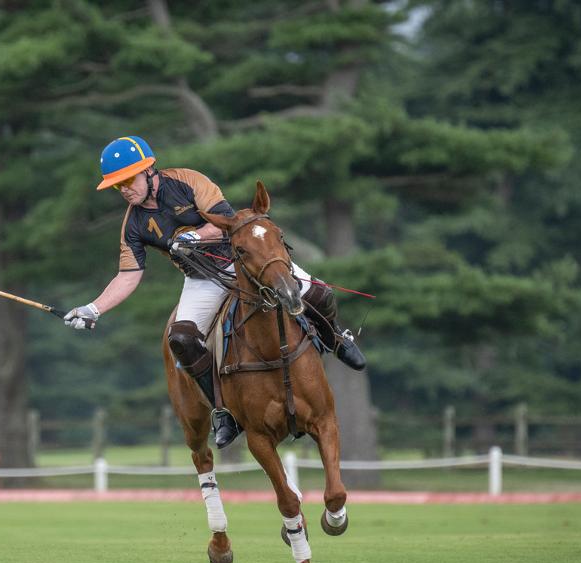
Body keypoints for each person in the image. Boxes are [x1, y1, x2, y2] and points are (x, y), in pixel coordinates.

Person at [64, 136, 366, 449]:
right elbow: (128, 276)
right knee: (180, 339)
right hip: (202, 279)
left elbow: (227, 222)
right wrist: (94, 308)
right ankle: (224, 411)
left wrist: (194, 236)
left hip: (243, 262)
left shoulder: (188, 181)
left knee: (319, 294)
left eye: (128, 180)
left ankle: (336, 340)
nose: (125, 189)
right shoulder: (133, 224)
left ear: (149, 170)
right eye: (117, 186)